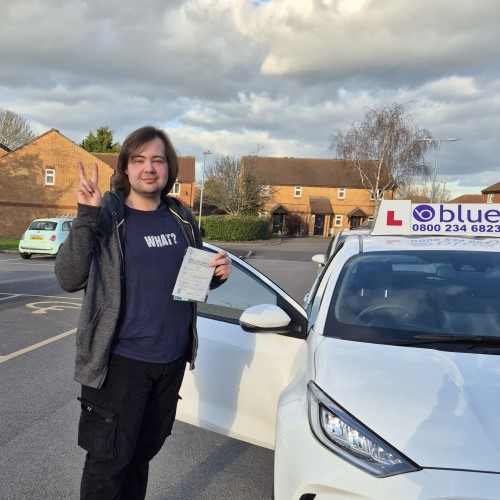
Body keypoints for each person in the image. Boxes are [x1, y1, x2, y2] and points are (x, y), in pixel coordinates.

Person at [55, 126, 232, 499]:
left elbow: (190, 284)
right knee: (108, 462)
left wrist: (215, 277)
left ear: (169, 168)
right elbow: (69, 278)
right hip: (120, 363)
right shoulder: (107, 215)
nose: (148, 168)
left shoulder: (181, 218)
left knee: (141, 457)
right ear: (126, 168)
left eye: (157, 160)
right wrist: (85, 215)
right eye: (139, 161)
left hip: (170, 362)